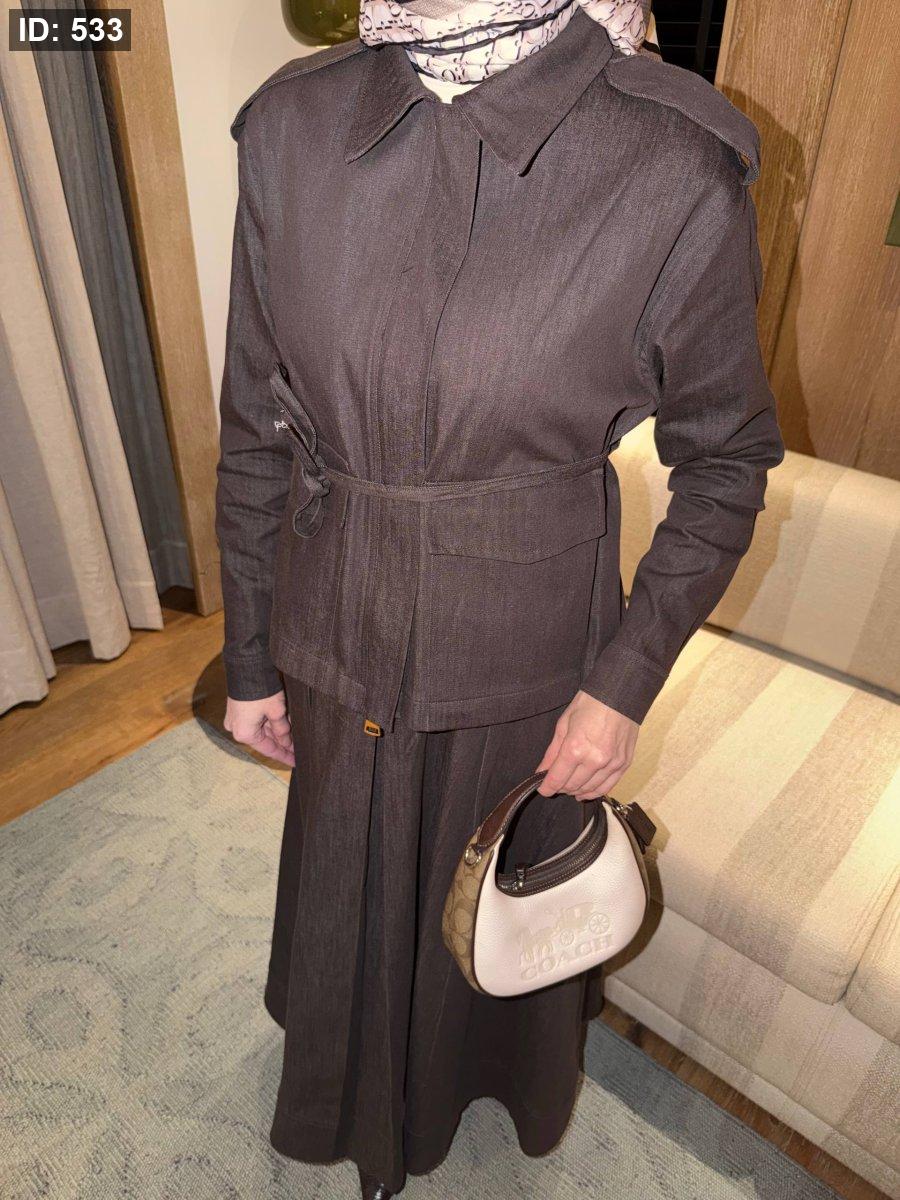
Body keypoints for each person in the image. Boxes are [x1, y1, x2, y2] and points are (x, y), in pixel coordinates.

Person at [216, 1, 786, 1195]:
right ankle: (342, 1096)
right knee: (344, 881)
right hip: (332, 617)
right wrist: (253, 655)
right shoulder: (288, 128)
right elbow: (255, 426)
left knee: (483, 902)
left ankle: (456, 1101)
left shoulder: (672, 160)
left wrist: (620, 686)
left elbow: (727, 462)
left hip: (524, 646)